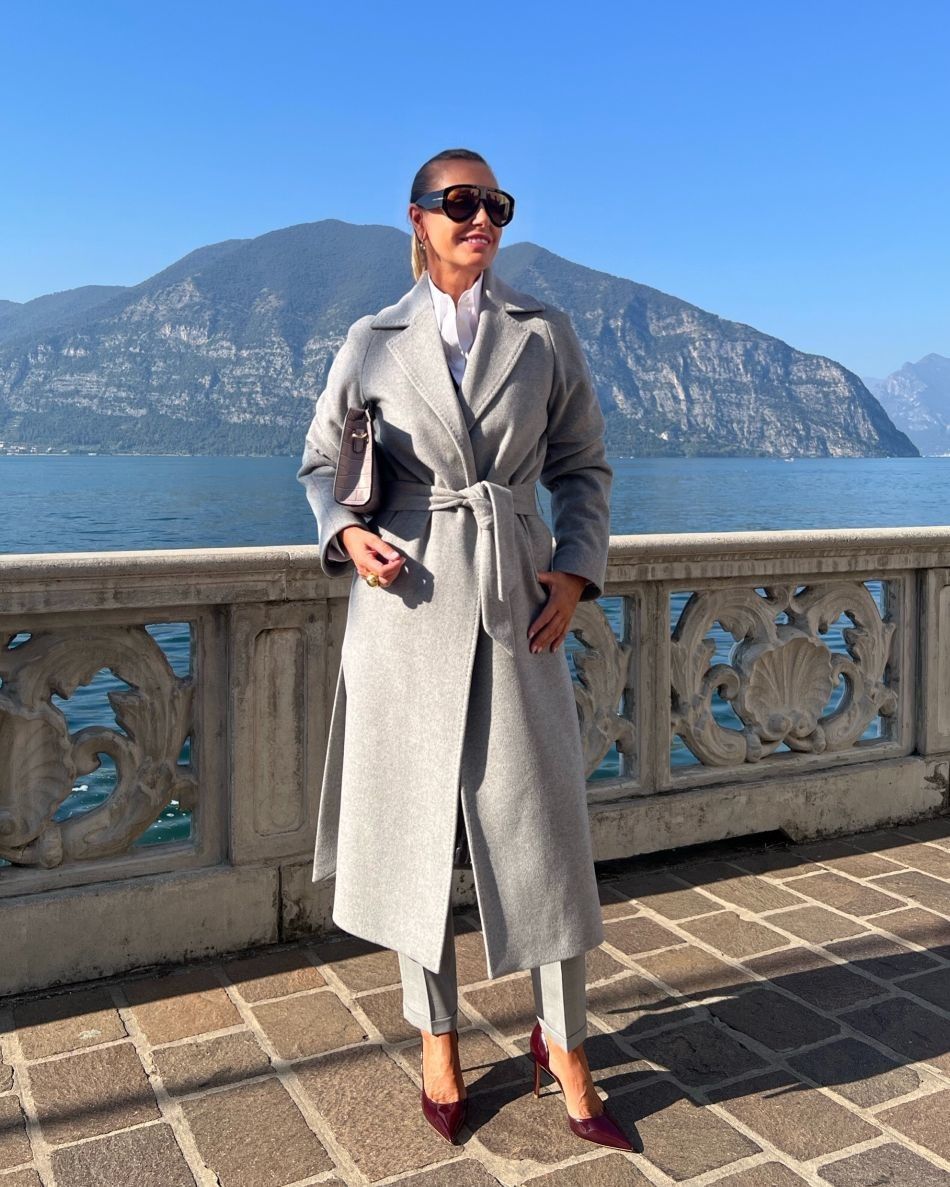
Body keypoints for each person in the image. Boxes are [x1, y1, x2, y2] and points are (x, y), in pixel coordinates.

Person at [298, 148, 633, 1152]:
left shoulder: (544, 332)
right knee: (412, 834)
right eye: (459, 202)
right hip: (406, 603)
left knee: (545, 828)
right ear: (419, 218)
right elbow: (320, 461)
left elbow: (582, 464)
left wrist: (573, 571)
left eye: (494, 203)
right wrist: (345, 532)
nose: (480, 216)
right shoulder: (370, 340)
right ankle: (435, 1039)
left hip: (516, 597)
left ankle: (564, 1043)